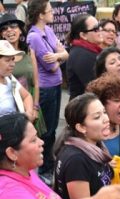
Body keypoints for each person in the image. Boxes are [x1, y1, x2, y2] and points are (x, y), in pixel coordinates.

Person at [0, 112, 120, 199]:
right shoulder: (5, 191)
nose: (42, 142)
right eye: (33, 140)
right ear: (12, 153)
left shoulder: (25, 170)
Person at [26, 0, 69, 185]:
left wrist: (59, 55)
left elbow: (64, 53)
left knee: (51, 129)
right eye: (50, 11)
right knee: (48, 130)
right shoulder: (35, 37)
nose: (53, 13)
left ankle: (48, 166)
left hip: (55, 85)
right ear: (41, 15)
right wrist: (60, 56)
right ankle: (44, 169)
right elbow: (51, 67)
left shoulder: (49, 31)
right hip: (46, 88)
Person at [0, 13, 46, 136]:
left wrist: (34, 108)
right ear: (1, 34)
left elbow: (36, 82)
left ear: (20, 30)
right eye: (4, 28)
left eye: (13, 26)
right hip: (12, 110)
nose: (9, 30)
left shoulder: (29, 51)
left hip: (29, 104)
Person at [66, 13, 101, 100]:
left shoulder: (88, 50)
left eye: (99, 26)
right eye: (96, 29)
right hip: (84, 108)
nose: (101, 30)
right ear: (83, 35)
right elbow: (97, 87)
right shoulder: (82, 55)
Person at [0, 40, 34, 121]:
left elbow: (26, 96)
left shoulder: (10, 78)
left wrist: (29, 112)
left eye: (13, 59)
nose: (13, 64)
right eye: (7, 60)